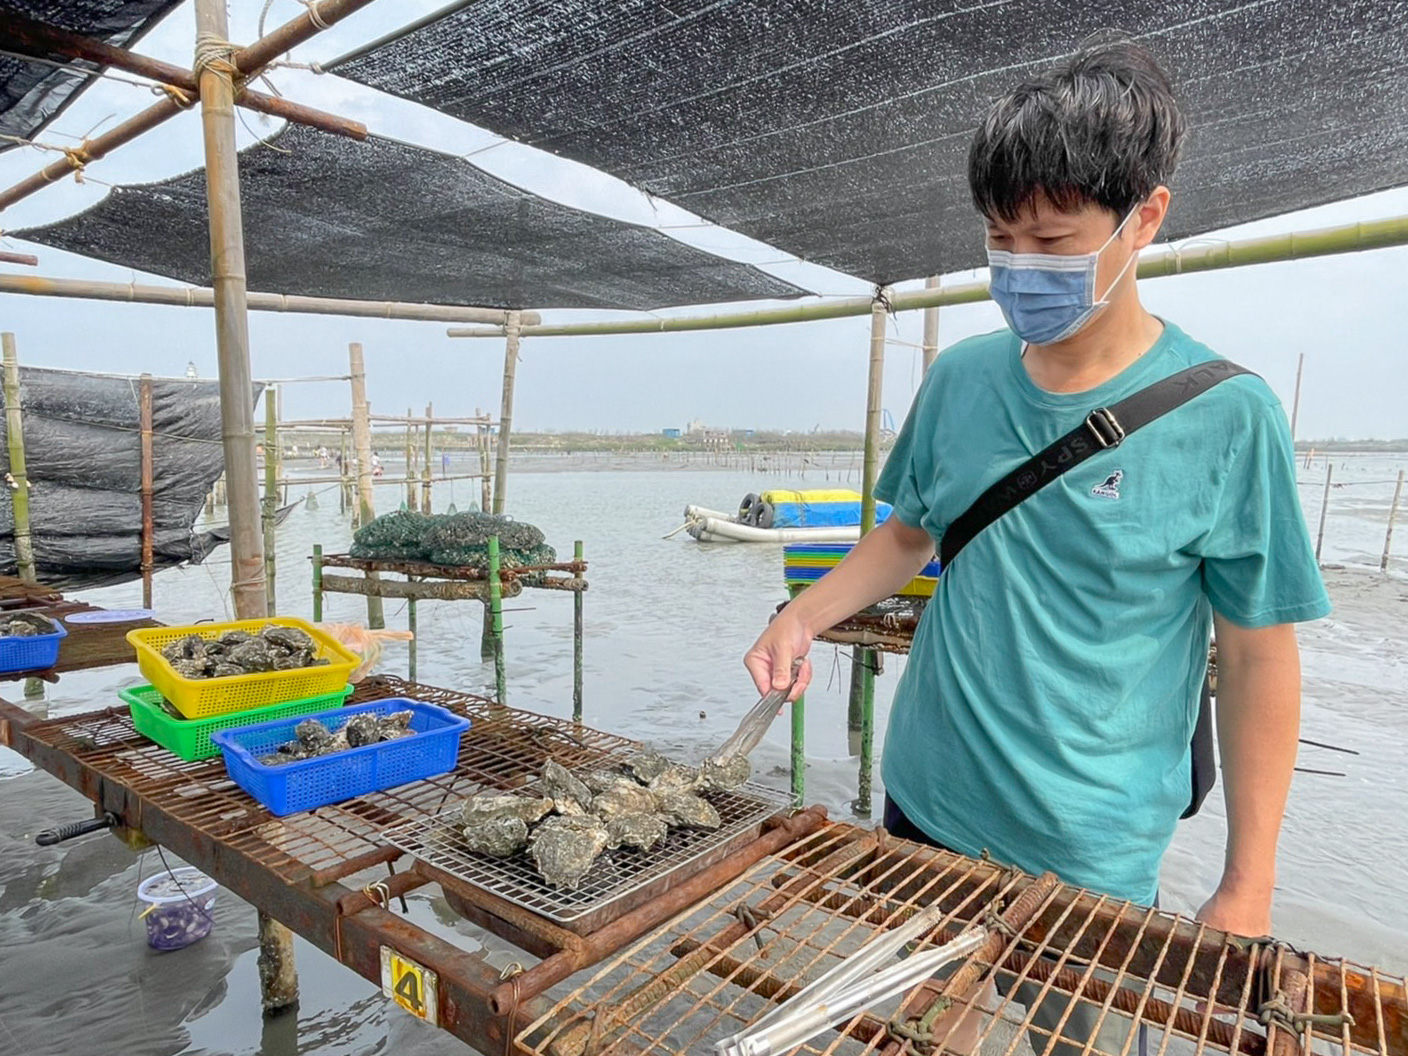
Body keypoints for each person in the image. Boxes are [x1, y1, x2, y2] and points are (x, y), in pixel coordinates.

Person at [745, 39, 1327, 950]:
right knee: (926, 1025)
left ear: (1144, 219)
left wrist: (1249, 881)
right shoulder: (963, 377)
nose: (1020, 268)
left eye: (1052, 242)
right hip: (925, 796)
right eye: (1000, 240)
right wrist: (802, 617)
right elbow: (909, 535)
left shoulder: (1230, 417)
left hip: (1089, 844)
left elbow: (1257, 656)